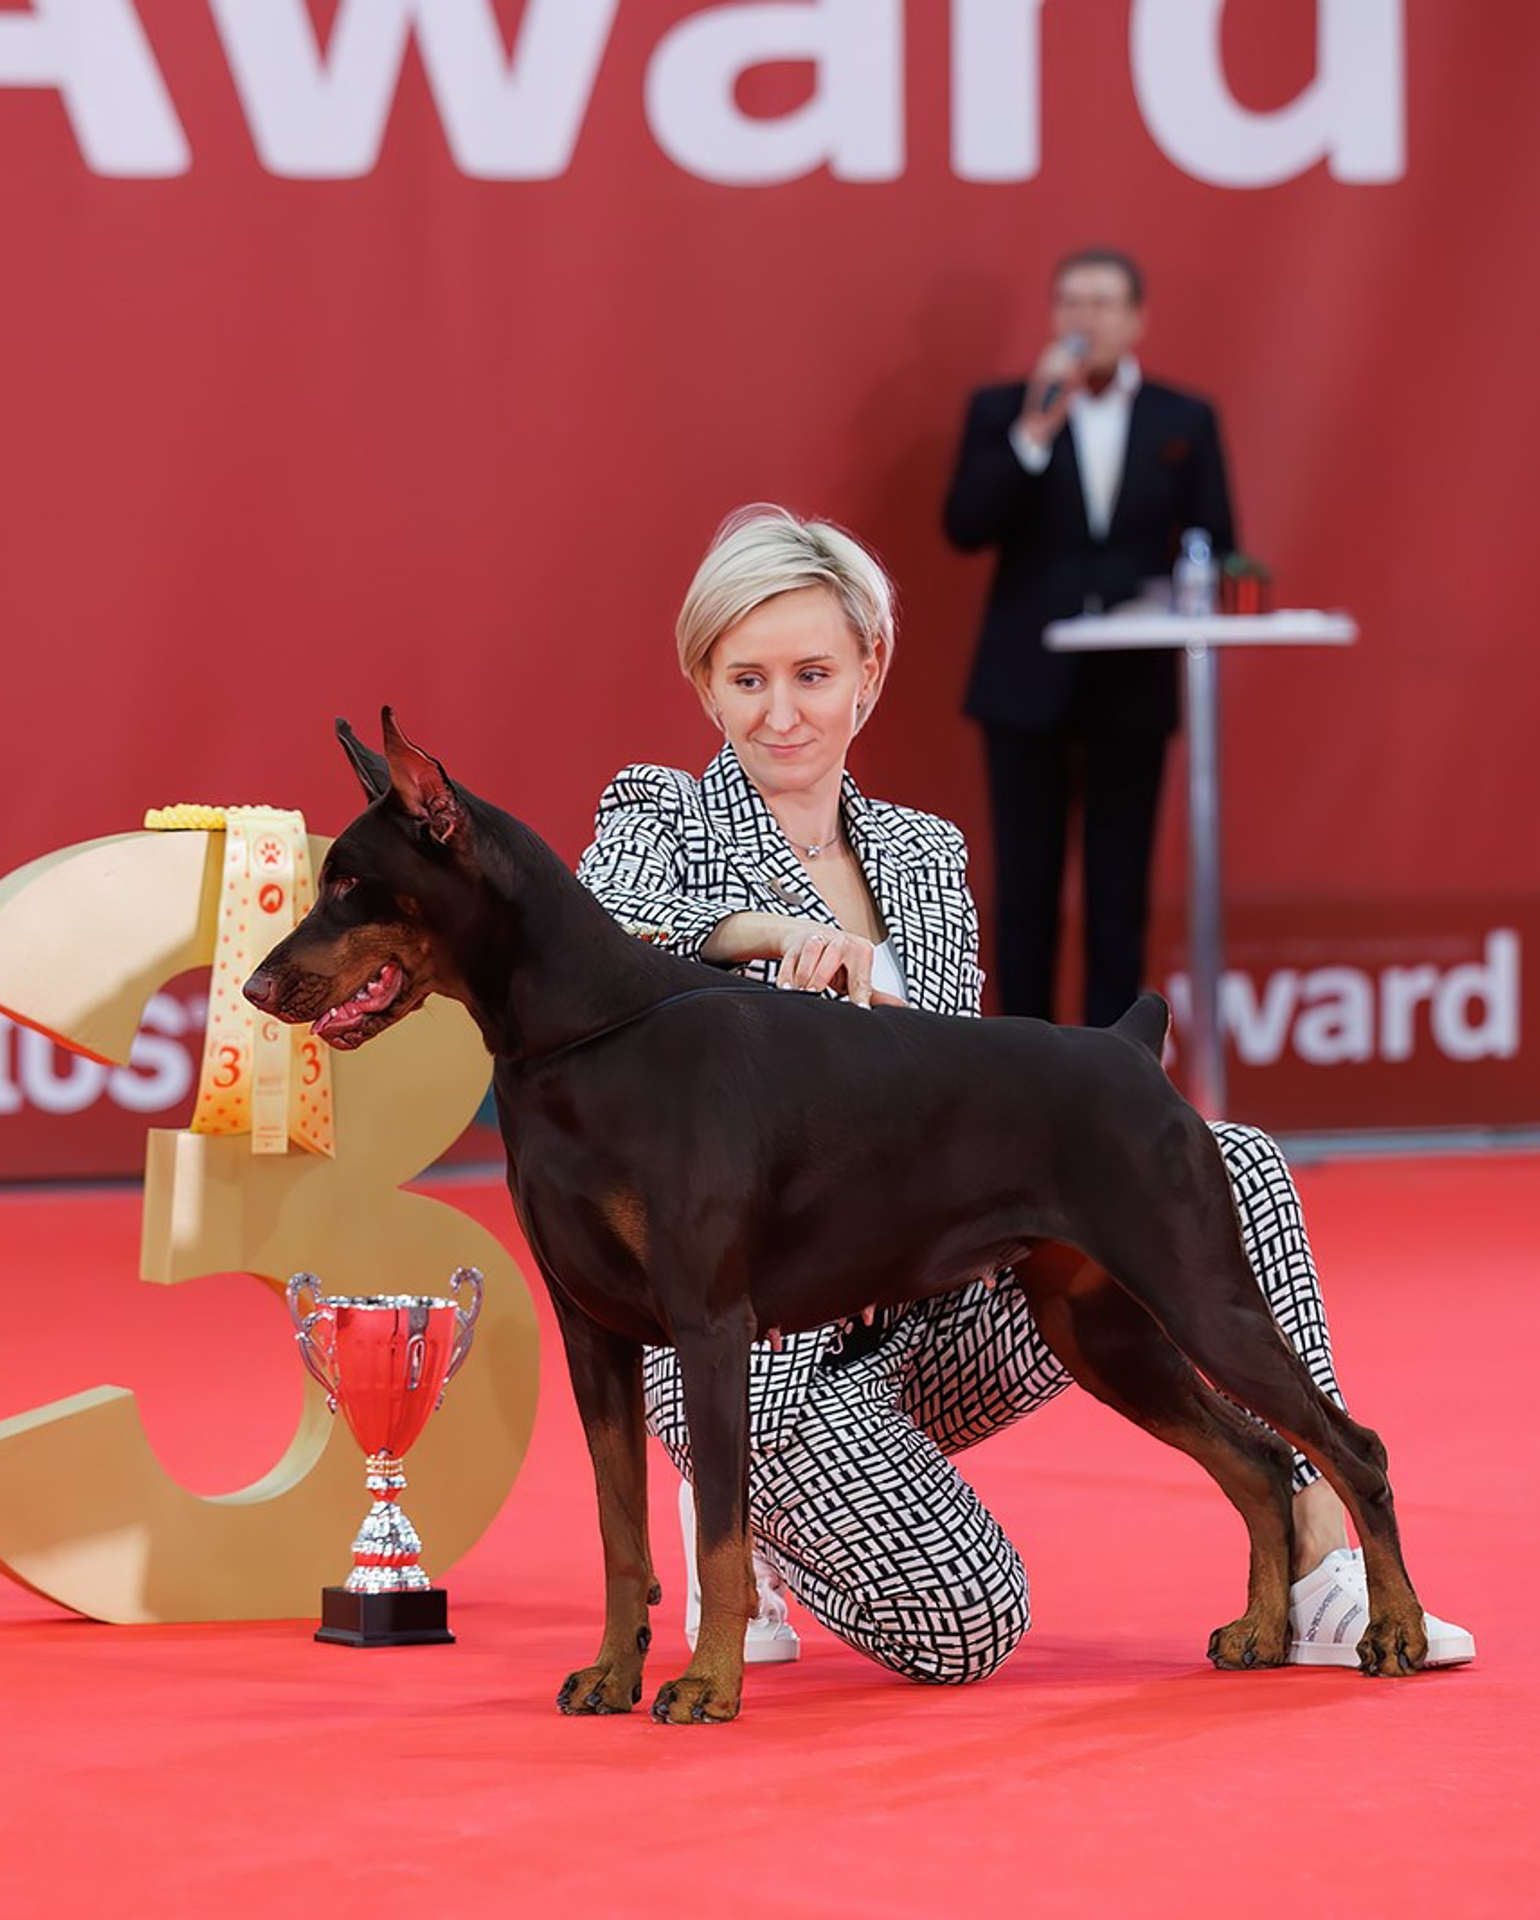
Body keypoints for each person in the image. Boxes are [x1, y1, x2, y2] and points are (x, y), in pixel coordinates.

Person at [574, 503, 1472, 1683]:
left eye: (811, 673)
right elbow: (597, 955)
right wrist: (754, 935)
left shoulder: (922, 853)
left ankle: (1314, 1556)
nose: (781, 712)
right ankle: (745, 1520)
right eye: (746, 678)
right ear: (704, 682)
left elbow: (967, 1099)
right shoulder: (660, 813)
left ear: (868, 673)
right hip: (748, 1347)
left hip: (927, 1296)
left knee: (1226, 1158)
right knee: (966, 1629)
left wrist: (880, 1017)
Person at [943, 247, 1231, 1026]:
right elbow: (965, 525)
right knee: (1024, 889)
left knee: (1118, 890)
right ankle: (1026, 1071)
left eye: (1101, 304)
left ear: (1136, 319)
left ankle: (1114, 1072)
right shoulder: (1006, 410)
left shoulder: (1184, 418)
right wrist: (1036, 433)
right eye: (1070, 302)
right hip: (1023, 680)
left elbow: (1214, 542)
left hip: (1130, 685)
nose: (1083, 319)